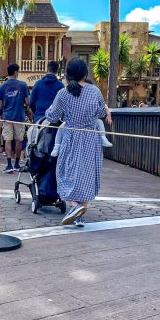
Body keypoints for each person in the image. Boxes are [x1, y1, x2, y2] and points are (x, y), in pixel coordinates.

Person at [45, 58, 107, 227]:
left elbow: (52, 116)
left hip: (71, 136)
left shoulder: (63, 93)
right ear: (85, 73)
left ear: (68, 73)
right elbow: (101, 112)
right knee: (87, 174)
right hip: (90, 138)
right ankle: (80, 215)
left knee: (65, 172)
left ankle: (75, 206)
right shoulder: (94, 91)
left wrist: (48, 110)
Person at [0, 63, 29, 173]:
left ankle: (9, 164)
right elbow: (27, 102)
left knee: (8, 140)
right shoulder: (23, 85)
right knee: (19, 140)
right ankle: (17, 163)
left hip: (7, 117)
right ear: (15, 72)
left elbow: (0, 104)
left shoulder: (2, 86)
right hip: (19, 116)